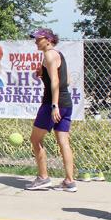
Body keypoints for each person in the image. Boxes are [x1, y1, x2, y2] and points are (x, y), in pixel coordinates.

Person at [25, 28, 76, 192]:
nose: (35, 41)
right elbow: (66, 80)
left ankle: (43, 178)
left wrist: (54, 105)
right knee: (64, 142)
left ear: (48, 40)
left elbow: (55, 81)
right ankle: (69, 181)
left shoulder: (48, 54)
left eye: (38, 39)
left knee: (35, 140)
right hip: (67, 102)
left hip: (51, 104)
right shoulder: (58, 54)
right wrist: (43, 72)